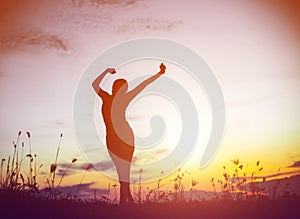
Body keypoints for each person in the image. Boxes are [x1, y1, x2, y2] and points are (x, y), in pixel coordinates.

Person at [92, 63, 166, 205]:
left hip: (125, 136)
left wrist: (159, 74)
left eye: (124, 89)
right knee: (122, 169)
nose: (124, 90)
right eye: (122, 88)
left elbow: (143, 85)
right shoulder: (107, 97)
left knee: (124, 169)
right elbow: (94, 84)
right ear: (116, 88)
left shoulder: (119, 98)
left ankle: (125, 201)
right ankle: (127, 200)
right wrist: (106, 70)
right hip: (113, 138)